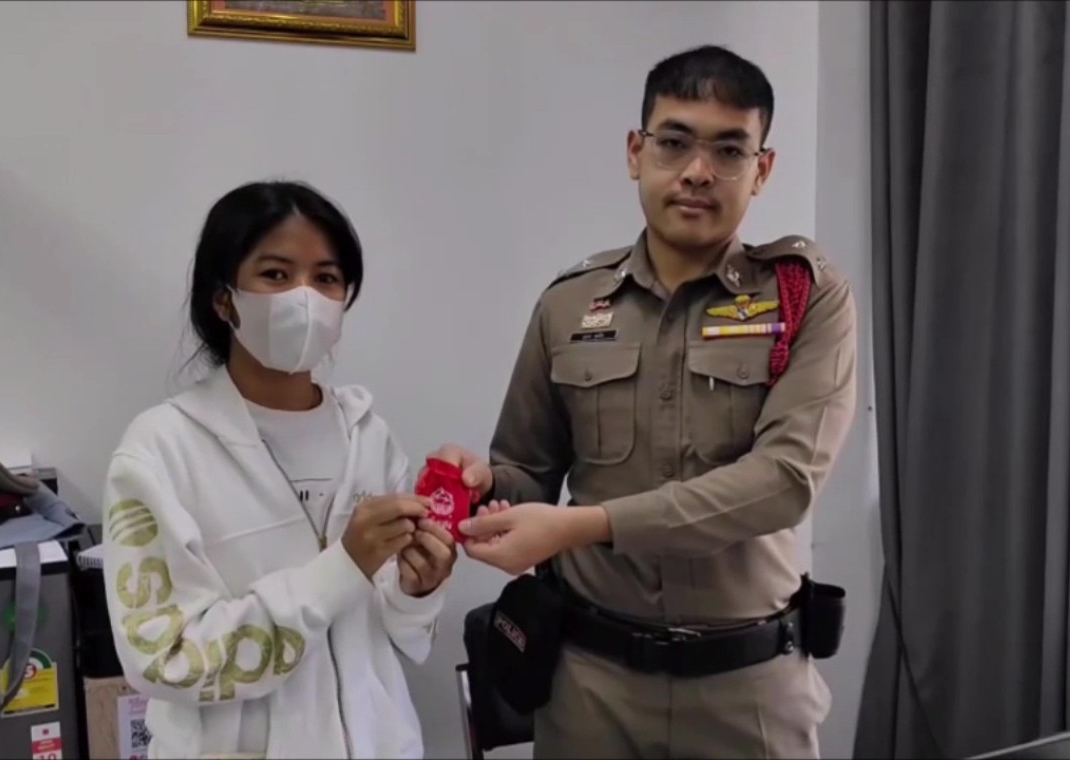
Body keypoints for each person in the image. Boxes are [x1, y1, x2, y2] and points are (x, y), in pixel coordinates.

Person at [431, 45, 857, 759]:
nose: (698, 171)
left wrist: (584, 526)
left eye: (729, 150)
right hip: (591, 688)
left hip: (747, 688)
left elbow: (785, 482)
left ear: (763, 169)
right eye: (674, 142)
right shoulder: (570, 303)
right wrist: (479, 488)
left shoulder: (803, 296)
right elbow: (527, 473)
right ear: (636, 152)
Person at [102, 181, 455, 760]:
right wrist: (341, 567)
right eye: (275, 274)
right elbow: (164, 659)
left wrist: (419, 589)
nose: (305, 297)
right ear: (224, 300)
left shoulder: (369, 436)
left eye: (326, 278)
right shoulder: (160, 451)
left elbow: (396, 631)